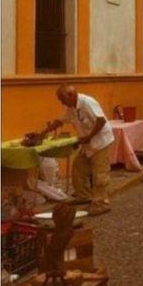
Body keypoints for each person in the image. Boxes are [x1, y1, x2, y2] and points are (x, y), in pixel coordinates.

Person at [53, 85, 115, 215]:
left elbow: (101, 120)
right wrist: (41, 134)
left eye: (62, 99)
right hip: (88, 144)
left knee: (100, 174)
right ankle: (83, 196)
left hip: (100, 142)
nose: (61, 102)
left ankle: (101, 203)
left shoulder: (87, 102)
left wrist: (88, 137)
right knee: (78, 169)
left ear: (71, 95)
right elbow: (60, 121)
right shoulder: (71, 107)